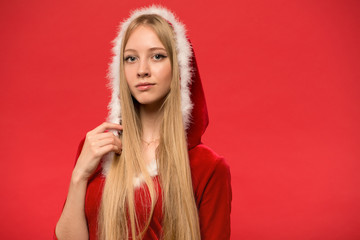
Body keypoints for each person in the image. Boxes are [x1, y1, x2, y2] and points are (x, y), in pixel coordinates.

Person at [54, 5, 232, 240]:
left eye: (157, 56)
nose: (142, 70)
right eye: (131, 58)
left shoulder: (208, 167)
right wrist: (78, 177)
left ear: (179, 68)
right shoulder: (98, 148)